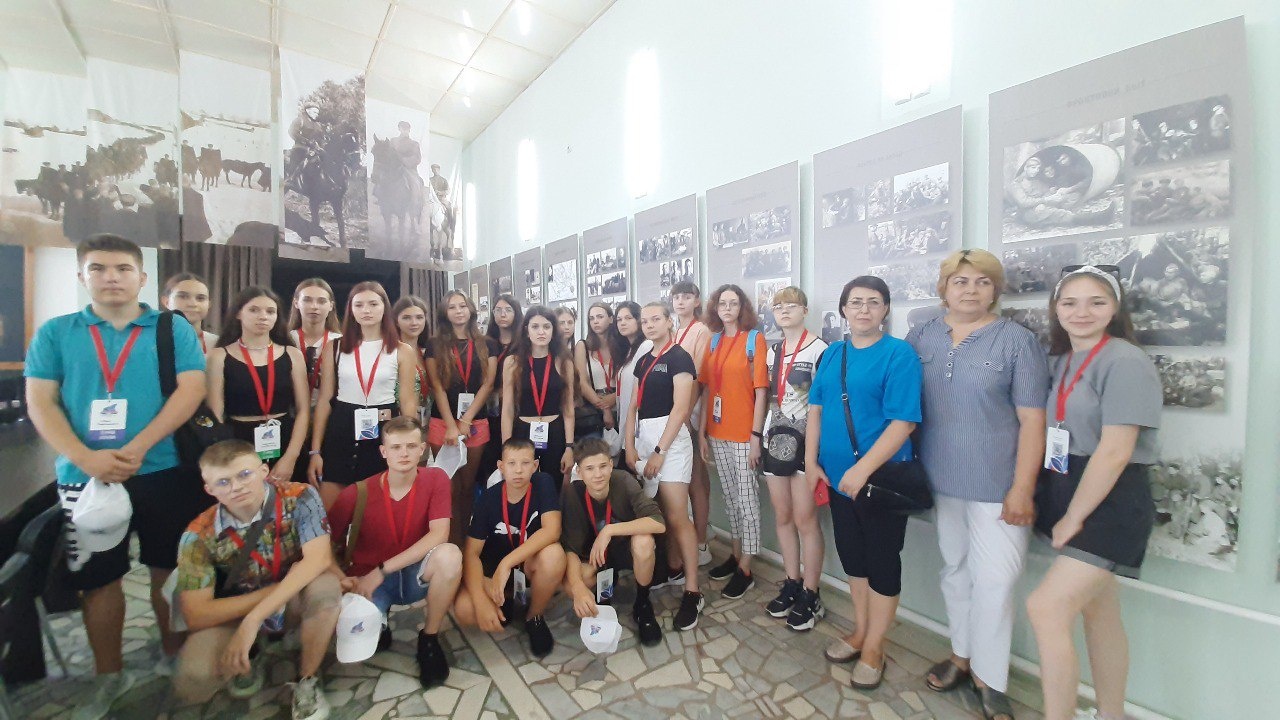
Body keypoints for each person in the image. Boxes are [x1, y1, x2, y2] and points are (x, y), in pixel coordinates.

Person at [25, 234, 210, 719]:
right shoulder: (56, 332)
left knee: (168, 570)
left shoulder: (170, 328)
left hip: (164, 469)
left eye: (123, 269)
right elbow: (41, 402)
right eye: (99, 268)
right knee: (99, 580)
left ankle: (172, 653)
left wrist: (138, 446)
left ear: (141, 277)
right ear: (82, 276)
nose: (111, 277)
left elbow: (190, 391)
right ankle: (108, 675)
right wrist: (85, 458)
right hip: (84, 476)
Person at [905, 250, 1050, 720]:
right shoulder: (922, 335)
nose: (970, 290)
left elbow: (1033, 421)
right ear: (944, 288)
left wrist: (1022, 488)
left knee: (996, 580)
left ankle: (991, 678)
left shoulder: (1017, 342)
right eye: (960, 281)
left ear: (995, 290)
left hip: (998, 485)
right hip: (939, 479)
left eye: (982, 282)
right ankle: (961, 656)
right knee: (955, 570)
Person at [1025, 266, 1161, 720]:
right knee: (1099, 612)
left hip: (1110, 500)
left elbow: (1116, 450)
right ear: (1056, 309)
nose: (1081, 312)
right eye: (1070, 303)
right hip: (1069, 484)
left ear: (1115, 309)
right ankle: (1111, 714)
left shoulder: (1125, 360)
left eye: (1096, 302)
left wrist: (1073, 517)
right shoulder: (1063, 360)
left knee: (1045, 608)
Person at [809, 276, 922, 691]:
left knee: (882, 562)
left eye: (873, 302)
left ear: (886, 309)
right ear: (843, 309)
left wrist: (862, 471)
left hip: (880, 481)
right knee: (853, 559)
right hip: (838, 479)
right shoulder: (833, 354)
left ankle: (875, 646)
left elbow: (904, 422)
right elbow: (816, 409)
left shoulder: (899, 354)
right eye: (855, 302)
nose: (863, 310)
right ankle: (860, 630)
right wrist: (811, 462)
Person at [171, 441, 338, 720]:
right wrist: (255, 610)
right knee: (194, 679)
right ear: (209, 489)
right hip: (237, 607)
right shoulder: (197, 534)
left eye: (244, 475)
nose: (236, 487)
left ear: (264, 471)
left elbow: (319, 560)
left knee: (326, 593)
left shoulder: (300, 497)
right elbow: (196, 614)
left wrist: (253, 619)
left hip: (293, 599)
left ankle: (307, 678)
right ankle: (253, 651)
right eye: (223, 482)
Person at [327, 417, 461, 688]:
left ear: (422, 449)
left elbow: (439, 534)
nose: (404, 453)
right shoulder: (356, 493)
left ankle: (429, 639)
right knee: (357, 642)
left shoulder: (436, 479)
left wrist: (382, 570)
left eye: (411, 446)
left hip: (414, 575)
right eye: (396, 447)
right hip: (369, 583)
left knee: (450, 555)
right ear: (383, 451)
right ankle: (381, 619)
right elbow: (324, 548)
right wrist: (342, 579)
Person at [624, 302, 705, 629]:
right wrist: (630, 445)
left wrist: (659, 451)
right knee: (657, 511)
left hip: (670, 440)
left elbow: (681, 408)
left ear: (669, 322)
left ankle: (693, 591)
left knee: (677, 515)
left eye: (655, 319)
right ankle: (671, 567)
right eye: (645, 320)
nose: (649, 325)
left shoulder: (680, 357)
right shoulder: (644, 359)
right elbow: (633, 406)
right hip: (645, 437)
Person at [309, 282, 419, 508]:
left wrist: (410, 444)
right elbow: (324, 401)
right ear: (350, 309)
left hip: (384, 427)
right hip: (341, 427)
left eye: (373, 304)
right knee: (331, 509)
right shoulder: (334, 348)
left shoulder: (401, 350)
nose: (366, 310)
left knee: (376, 508)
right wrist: (315, 450)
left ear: (384, 307)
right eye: (359, 305)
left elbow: (408, 401)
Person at [453, 439, 566, 658]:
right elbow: (471, 553)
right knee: (465, 610)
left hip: (527, 565)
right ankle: (503, 599)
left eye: (525, 463)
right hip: (494, 574)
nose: (518, 470)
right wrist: (480, 600)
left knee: (554, 555)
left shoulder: (543, 483)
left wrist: (507, 563)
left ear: (535, 466)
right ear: (501, 466)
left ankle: (534, 616)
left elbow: (552, 530)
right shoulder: (488, 499)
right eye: (512, 463)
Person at [760, 287, 828, 631]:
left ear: (804, 310)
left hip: (806, 443)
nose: (784, 311)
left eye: (791, 305)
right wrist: (757, 437)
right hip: (775, 439)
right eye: (778, 306)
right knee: (783, 515)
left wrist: (815, 453)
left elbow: (823, 405)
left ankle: (811, 594)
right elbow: (767, 399)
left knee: (805, 519)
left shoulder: (820, 350)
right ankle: (792, 582)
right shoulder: (772, 351)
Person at [697, 284, 769, 598]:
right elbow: (706, 390)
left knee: (747, 501)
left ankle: (746, 568)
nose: (727, 308)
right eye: (723, 303)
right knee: (730, 498)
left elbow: (761, 391)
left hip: (743, 435)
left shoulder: (754, 340)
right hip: (717, 432)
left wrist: (756, 436)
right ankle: (736, 554)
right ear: (716, 308)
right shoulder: (713, 341)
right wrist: (702, 432)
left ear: (742, 308)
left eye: (734, 303)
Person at [560, 438, 664, 646]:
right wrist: (578, 588)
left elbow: (658, 523)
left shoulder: (624, 480)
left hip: (626, 549)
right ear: (579, 472)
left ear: (610, 465)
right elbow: (570, 549)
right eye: (589, 469)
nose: (598, 474)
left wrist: (609, 530)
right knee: (575, 582)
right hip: (596, 556)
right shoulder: (573, 492)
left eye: (602, 466)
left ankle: (642, 603)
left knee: (644, 542)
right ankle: (603, 587)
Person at [205, 287, 312, 487]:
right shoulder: (219, 356)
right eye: (254, 310)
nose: (263, 316)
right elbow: (216, 414)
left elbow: (303, 410)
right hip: (239, 443)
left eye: (270, 311)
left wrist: (291, 457)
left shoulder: (292, 354)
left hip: (286, 439)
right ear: (238, 313)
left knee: (289, 504)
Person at [425, 290, 497, 544]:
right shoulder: (435, 344)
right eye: (452, 307)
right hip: (442, 423)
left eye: (463, 306)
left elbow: (488, 384)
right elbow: (436, 386)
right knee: (448, 488)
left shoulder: (487, 343)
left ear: (471, 310)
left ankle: (464, 541)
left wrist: (465, 421)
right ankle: (447, 543)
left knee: (467, 487)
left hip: (476, 422)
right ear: (444, 312)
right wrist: (451, 425)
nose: (458, 311)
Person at [502, 306, 576, 486]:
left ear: (553, 331)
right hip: (523, 431)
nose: (541, 332)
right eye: (535, 327)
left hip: (555, 431)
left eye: (546, 326)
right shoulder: (512, 362)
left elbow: (568, 408)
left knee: (554, 486)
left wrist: (569, 447)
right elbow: (508, 410)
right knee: (524, 485)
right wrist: (506, 448)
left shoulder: (564, 362)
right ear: (526, 330)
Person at [671, 281, 713, 566]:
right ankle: (697, 533)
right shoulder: (675, 331)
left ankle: (701, 542)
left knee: (696, 478)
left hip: (692, 411)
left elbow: (698, 378)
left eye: (687, 297)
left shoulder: (700, 331)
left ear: (697, 301)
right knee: (689, 478)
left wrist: (684, 417)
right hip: (678, 410)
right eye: (677, 297)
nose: (681, 302)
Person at [480, 295, 523, 492]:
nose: (502, 314)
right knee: (490, 462)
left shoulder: (523, 344)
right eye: (498, 310)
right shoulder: (486, 343)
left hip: (516, 409)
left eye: (508, 310)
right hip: (489, 410)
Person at [574, 302, 626, 440]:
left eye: (600, 317)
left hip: (622, 402)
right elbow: (582, 382)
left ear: (611, 319)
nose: (595, 321)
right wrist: (604, 408)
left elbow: (631, 378)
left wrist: (615, 397)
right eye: (591, 318)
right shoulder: (583, 346)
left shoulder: (622, 345)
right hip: (595, 406)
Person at [288, 278, 343, 408]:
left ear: (331, 306)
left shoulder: (340, 342)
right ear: (296, 303)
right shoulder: (285, 340)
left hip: (330, 410)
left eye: (321, 301)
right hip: (289, 410)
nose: (314, 306)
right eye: (307, 300)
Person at [612, 301, 651, 461]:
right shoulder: (628, 350)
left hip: (639, 424)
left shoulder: (646, 346)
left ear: (639, 320)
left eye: (628, 318)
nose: (622, 323)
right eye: (619, 319)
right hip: (626, 420)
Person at [392, 295, 431, 415]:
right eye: (406, 318)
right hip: (400, 417)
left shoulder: (426, 352)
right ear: (396, 321)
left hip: (426, 416)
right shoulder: (392, 352)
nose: (414, 323)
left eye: (419, 317)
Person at [163, 272, 217, 355]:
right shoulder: (150, 341)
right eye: (183, 296)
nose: (192, 304)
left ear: (209, 304)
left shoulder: (218, 343)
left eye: (200, 298)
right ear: (166, 302)